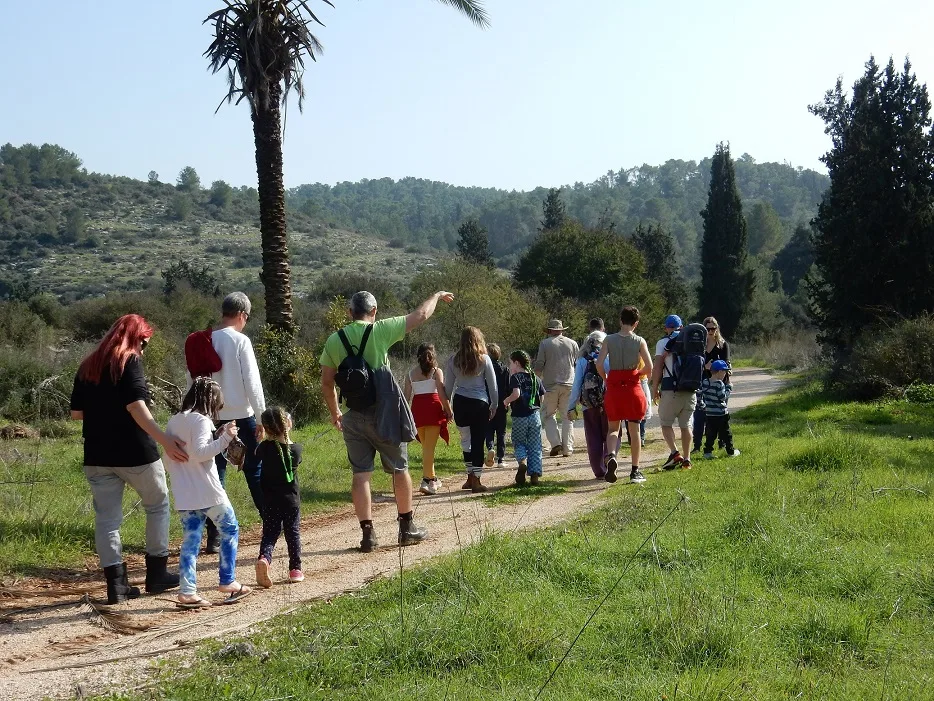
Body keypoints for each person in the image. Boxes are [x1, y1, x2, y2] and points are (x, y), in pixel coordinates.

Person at [320, 290, 454, 552]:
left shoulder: (335, 340)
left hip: (354, 416)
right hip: (386, 414)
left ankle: (368, 535)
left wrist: (336, 412)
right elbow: (421, 315)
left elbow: (327, 383)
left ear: (350, 313)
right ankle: (406, 528)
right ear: (374, 312)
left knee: (361, 474)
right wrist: (436, 295)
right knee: (399, 467)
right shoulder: (380, 330)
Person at [70, 314, 186, 604]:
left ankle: (116, 585)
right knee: (157, 505)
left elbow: (76, 414)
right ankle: (157, 574)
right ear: (136, 338)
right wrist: (165, 440)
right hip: (135, 452)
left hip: (97, 455)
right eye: (144, 342)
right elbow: (136, 406)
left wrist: (103, 410)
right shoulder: (129, 361)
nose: (144, 349)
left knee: (107, 520)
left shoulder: (88, 365)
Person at [191, 292, 267, 555]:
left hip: (211, 418)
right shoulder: (240, 341)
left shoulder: (204, 339)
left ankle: (214, 537)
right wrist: (261, 417)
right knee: (254, 473)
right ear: (242, 315)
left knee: (215, 476)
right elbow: (253, 384)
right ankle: (269, 525)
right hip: (241, 418)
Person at [164, 378, 250, 607]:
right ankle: (228, 581)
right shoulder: (201, 420)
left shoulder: (174, 421)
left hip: (184, 492)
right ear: (211, 400)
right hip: (208, 491)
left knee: (190, 542)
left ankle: (187, 591)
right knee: (230, 529)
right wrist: (226, 438)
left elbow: (170, 456)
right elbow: (202, 453)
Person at [596, 306, 653, 484]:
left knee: (613, 428)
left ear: (620, 320)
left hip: (614, 387)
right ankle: (635, 470)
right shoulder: (639, 341)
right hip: (632, 386)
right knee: (634, 429)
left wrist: (606, 379)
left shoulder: (609, 340)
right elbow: (649, 367)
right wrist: (636, 373)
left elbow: (599, 363)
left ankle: (611, 454)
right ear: (636, 323)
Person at [444, 327, 499, 493]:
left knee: (465, 441)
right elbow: (492, 385)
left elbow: (448, 388)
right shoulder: (484, 359)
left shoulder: (453, 360)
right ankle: (476, 479)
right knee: (478, 441)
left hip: (460, 402)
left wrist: (446, 407)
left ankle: (469, 476)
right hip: (479, 403)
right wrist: (494, 404)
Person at [254, 407, 304, 588]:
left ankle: (264, 559)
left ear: (266, 429)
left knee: (270, 533)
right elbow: (293, 456)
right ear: (288, 424)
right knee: (292, 532)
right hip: (291, 501)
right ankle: (295, 569)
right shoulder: (297, 449)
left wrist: (262, 439)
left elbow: (256, 454)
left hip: (269, 500)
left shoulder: (263, 449)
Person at [403, 343, 451, 496]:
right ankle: (426, 480)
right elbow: (442, 395)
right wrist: (449, 411)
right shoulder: (437, 372)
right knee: (429, 448)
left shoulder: (410, 374)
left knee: (426, 447)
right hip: (433, 411)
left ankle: (433, 478)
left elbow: (406, 398)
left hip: (417, 412)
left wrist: (404, 416)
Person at [651, 315, 696, 472]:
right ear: (682, 327)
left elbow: (658, 367)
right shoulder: (693, 341)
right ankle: (687, 459)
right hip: (691, 389)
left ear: (666, 328)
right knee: (686, 425)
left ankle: (675, 453)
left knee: (666, 423)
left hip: (671, 388)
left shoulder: (663, 343)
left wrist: (654, 388)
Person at [566, 329, 609, 479]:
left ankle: (599, 470)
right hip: (608, 403)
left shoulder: (583, 360)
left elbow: (577, 384)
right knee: (612, 433)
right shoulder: (608, 357)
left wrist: (571, 406)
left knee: (593, 437)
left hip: (588, 404)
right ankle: (610, 459)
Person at [534, 319, 579, 457]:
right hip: (569, 384)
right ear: (561, 330)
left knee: (549, 415)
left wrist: (536, 380)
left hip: (550, 385)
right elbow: (577, 363)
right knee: (567, 417)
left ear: (550, 331)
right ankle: (568, 448)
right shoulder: (573, 343)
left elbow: (540, 364)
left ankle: (555, 443)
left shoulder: (545, 344)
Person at [504, 350, 545, 485]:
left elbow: (516, 393)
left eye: (510, 363)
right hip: (535, 416)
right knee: (535, 445)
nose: (510, 366)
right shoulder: (535, 378)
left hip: (520, 416)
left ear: (517, 363)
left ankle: (522, 462)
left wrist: (506, 401)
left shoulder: (515, 378)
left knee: (519, 441)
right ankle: (534, 476)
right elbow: (541, 397)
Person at [692, 316, 732, 454]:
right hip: (703, 383)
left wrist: (720, 371)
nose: (710, 331)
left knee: (720, 414)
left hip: (719, 383)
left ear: (717, 328)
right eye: (708, 328)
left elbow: (726, 362)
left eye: (713, 328)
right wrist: (705, 367)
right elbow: (694, 364)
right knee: (699, 414)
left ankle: (722, 443)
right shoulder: (699, 344)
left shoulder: (722, 344)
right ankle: (697, 445)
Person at [701, 360, 741, 459]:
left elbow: (700, 396)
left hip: (709, 414)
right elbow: (723, 397)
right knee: (726, 434)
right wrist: (729, 388)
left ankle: (707, 452)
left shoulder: (705, 382)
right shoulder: (719, 384)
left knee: (710, 434)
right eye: (724, 372)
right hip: (721, 414)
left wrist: (703, 406)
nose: (725, 374)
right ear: (719, 372)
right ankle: (731, 452)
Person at [485, 343, 511, 468]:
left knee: (489, 430)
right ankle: (501, 459)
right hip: (502, 403)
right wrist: (508, 401)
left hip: (488, 403)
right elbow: (508, 387)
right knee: (501, 432)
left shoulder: (484, 369)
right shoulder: (505, 369)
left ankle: (490, 448)